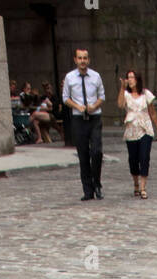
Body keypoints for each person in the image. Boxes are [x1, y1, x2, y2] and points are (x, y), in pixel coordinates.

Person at [63, 47, 105, 201]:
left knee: (96, 152)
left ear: (89, 60)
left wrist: (94, 105)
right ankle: (88, 190)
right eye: (80, 58)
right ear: (75, 60)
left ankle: (97, 184)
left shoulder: (96, 76)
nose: (83, 61)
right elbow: (65, 97)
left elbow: (102, 96)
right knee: (83, 155)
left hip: (94, 118)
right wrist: (77, 106)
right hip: (78, 119)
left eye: (85, 58)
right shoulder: (70, 78)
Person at [117, 69, 157, 198]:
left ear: (137, 79)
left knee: (144, 157)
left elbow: (152, 112)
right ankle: (136, 184)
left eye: (132, 77)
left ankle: (143, 187)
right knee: (133, 159)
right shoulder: (126, 95)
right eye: (128, 77)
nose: (130, 80)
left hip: (145, 129)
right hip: (132, 130)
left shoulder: (145, 94)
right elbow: (120, 105)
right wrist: (122, 88)